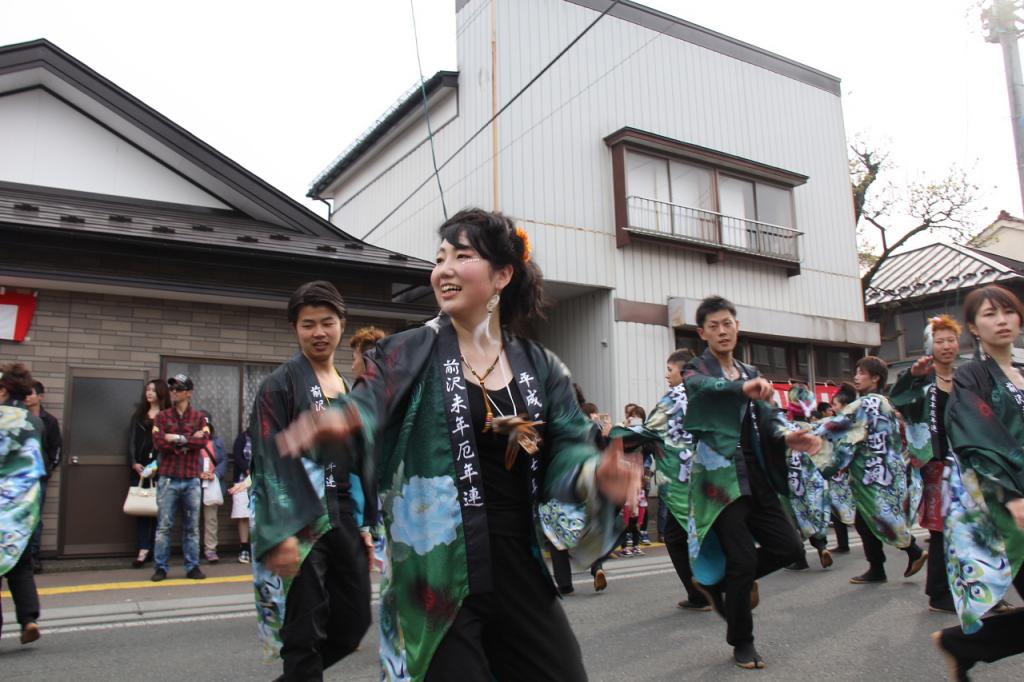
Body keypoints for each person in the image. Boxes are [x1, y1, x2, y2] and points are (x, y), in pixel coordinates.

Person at [275, 209, 638, 682]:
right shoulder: (403, 352)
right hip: (434, 567)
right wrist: (343, 423)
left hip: (518, 563)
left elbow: (569, 443)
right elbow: (368, 403)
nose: (443, 270)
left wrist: (595, 474)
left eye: (461, 256)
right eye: (439, 258)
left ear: (502, 275)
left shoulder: (541, 366)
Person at [248, 280, 376, 679]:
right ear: (295, 328)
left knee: (354, 621)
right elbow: (267, 460)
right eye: (308, 324)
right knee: (305, 631)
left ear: (342, 324)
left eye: (327, 322)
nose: (318, 332)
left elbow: (360, 461)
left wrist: (365, 525)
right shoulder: (280, 384)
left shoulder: (347, 386)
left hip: (343, 514)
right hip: (301, 519)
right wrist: (280, 532)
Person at [683, 296, 819, 669]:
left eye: (727, 323)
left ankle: (720, 585)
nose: (722, 331)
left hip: (757, 474)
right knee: (742, 560)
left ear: (737, 327)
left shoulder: (750, 370)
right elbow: (702, 389)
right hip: (721, 482)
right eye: (713, 326)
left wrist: (789, 436)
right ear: (702, 333)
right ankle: (742, 641)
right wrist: (741, 389)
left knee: (789, 547)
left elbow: (770, 417)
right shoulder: (696, 369)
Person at [933, 285, 1024, 678]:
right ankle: (963, 644)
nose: (1001, 320)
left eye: (1008, 311)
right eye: (989, 314)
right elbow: (978, 438)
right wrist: (1012, 496)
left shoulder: (1021, 373)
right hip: (1007, 503)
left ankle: (963, 644)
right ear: (973, 326)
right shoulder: (972, 376)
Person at [816, 357, 927, 585]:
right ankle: (879, 567)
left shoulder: (867, 404)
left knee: (881, 517)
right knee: (867, 521)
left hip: (872, 473)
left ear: (875, 377)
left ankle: (910, 552)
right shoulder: (885, 403)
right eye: (856, 372)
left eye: (861, 372)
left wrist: (801, 435)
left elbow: (838, 428)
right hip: (887, 470)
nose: (856, 377)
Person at [889, 314, 961, 613]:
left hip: (965, 464)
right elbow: (899, 400)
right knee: (942, 530)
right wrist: (914, 377)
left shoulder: (966, 379)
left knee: (969, 529)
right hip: (936, 465)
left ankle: (975, 590)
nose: (946, 346)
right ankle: (938, 592)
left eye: (951, 340)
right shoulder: (923, 381)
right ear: (931, 346)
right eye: (940, 341)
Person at [645, 348, 710, 611]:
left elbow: (650, 429)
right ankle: (703, 592)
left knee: (678, 537)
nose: (666, 375)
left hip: (680, 481)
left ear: (682, 372)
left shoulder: (675, 396)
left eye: (669, 369)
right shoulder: (704, 394)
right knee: (692, 533)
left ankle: (707, 591)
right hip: (706, 477)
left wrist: (617, 435)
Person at [0, 363, 45, 645]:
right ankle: (29, 619)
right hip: (25, 506)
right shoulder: (35, 421)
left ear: (4, 389)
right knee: (21, 565)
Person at [151, 373, 210, 582]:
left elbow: (203, 441)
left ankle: (193, 566)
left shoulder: (200, 417)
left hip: (191, 478)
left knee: (192, 527)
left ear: (189, 393)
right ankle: (160, 567)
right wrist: (188, 440)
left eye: (179, 389)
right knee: (164, 527)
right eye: (172, 388)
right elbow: (159, 443)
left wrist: (175, 438)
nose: (174, 392)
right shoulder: (162, 417)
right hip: (168, 478)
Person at [779, 383, 833, 572]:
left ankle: (800, 559)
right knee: (816, 510)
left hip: (793, 478)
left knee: (794, 516)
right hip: (815, 477)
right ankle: (822, 547)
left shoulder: (784, 428)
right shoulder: (817, 428)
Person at [127, 380, 171, 568]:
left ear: (161, 393)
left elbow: (167, 445)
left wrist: (157, 466)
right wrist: (134, 462)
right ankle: (143, 549)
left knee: (160, 511)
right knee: (142, 508)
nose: (149, 393)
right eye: (147, 389)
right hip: (140, 469)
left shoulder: (167, 416)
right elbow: (131, 441)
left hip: (161, 469)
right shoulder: (138, 416)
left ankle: (158, 550)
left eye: (153, 390)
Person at [24, 381, 61, 574]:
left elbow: (56, 448)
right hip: (19, 476)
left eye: (30, 393)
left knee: (35, 517)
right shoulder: (19, 417)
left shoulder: (49, 421)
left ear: (40, 396)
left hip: (39, 476)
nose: (27, 397)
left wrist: (48, 468)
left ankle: (33, 557)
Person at [827, 383, 857, 553]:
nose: (833, 408)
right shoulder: (837, 423)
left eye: (835, 404)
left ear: (845, 405)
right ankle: (843, 543)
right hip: (838, 472)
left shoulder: (849, 424)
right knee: (836, 508)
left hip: (848, 472)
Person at [200, 414, 227, 564]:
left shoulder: (217, 442)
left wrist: (215, 474)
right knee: (191, 518)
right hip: (194, 483)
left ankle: (210, 549)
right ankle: (192, 549)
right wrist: (198, 473)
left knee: (211, 518)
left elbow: (224, 460)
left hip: (212, 483)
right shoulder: (192, 442)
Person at [230, 430, 252, 564]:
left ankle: (258, 548)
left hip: (262, 480)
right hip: (242, 480)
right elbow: (237, 457)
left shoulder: (266, 437)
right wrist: (247, 469)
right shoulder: (242, 438)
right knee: (243, 515)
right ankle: (244, 548)